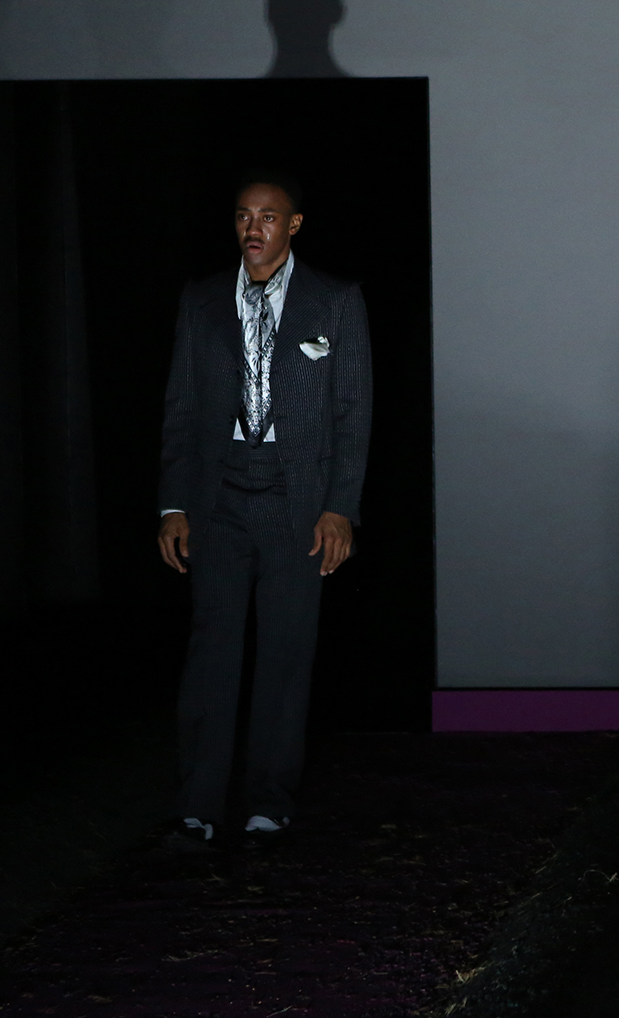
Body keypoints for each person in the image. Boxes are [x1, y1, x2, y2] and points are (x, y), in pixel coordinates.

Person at [156, 172, 372, 851]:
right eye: (244, 216)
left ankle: (268, 804)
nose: (254, 228)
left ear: (294, 225)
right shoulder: (202, 300)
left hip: (294, 500)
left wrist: (340, 509)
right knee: (212, 650)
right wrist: (174, 503)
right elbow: (181, 406)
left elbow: (352, 412)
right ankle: (197, 805)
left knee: (285, 651)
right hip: (219, 496)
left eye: (269, 216)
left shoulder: (334, 300)